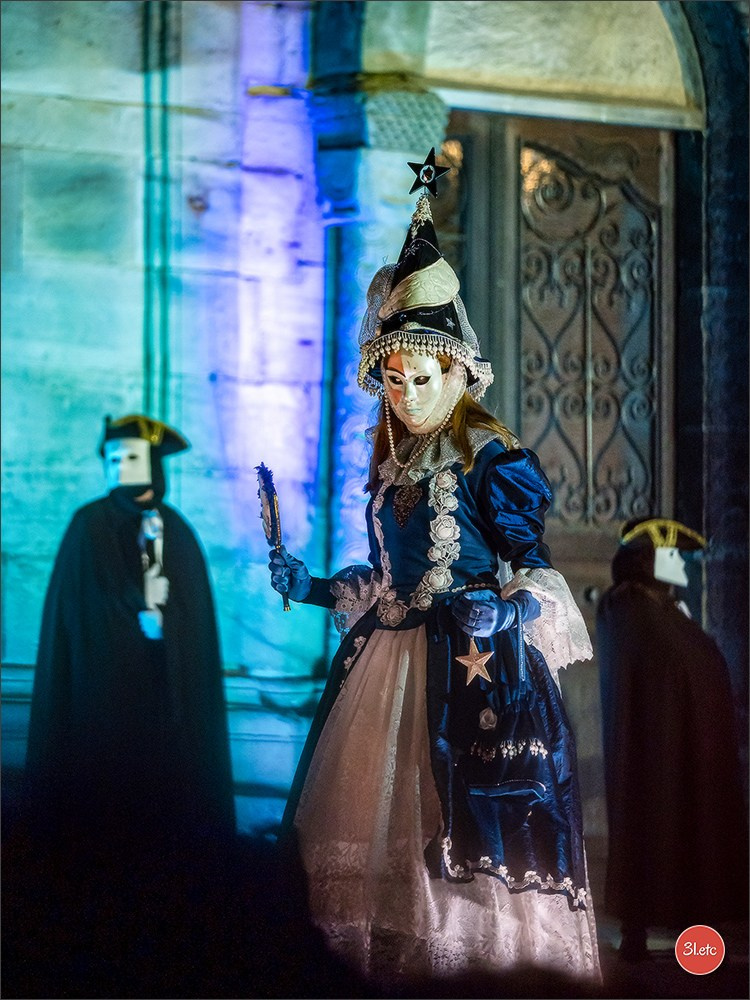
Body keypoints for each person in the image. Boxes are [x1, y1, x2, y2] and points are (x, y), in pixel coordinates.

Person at [267, 169, 601, 991]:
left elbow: (535, 570)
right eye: (394, 379)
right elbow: (383, 579)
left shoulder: (493, 459)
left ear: (457, 374)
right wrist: (308, 584)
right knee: (372, 838)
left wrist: (508, 614)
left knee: (464, 834)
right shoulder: (391, 465)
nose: (409, 393)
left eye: (424, 378)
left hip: (471, 673)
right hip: (385, 669)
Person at [24, 413, 236, 858]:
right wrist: (130, 607)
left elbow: (193, 622)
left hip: (163, 698)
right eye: (112, 456)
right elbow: (76, 613)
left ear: (153, 463)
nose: (119, 464)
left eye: (132, 455)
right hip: (104, 693)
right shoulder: (89, 526)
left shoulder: (175, 530)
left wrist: (168, 623)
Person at [597, 518, 749, 962]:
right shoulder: (627, 607)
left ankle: (689, 923)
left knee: (688, 819)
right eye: (674, 556)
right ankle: (639, 929)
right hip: (648, 745)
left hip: (682, 738)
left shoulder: (660, 605)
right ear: (651, 561)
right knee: (650, 823)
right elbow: (666, 665)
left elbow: (693, 663)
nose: (683, 564)